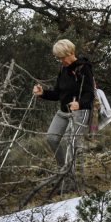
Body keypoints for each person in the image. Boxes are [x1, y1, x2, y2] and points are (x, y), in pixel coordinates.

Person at [32, 39, 94, 173]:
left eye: (62, 57)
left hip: (81, 112)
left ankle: (71, 176)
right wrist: (43, 93)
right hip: (63, 112)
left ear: (71, 52)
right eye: (58, 58)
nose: (61, 61)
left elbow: (90, 94)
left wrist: (79, 104)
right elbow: (57, 94)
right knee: (51, 138)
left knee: (69, 141)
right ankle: (63, 170)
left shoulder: (84, 68)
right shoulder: (63, 69)